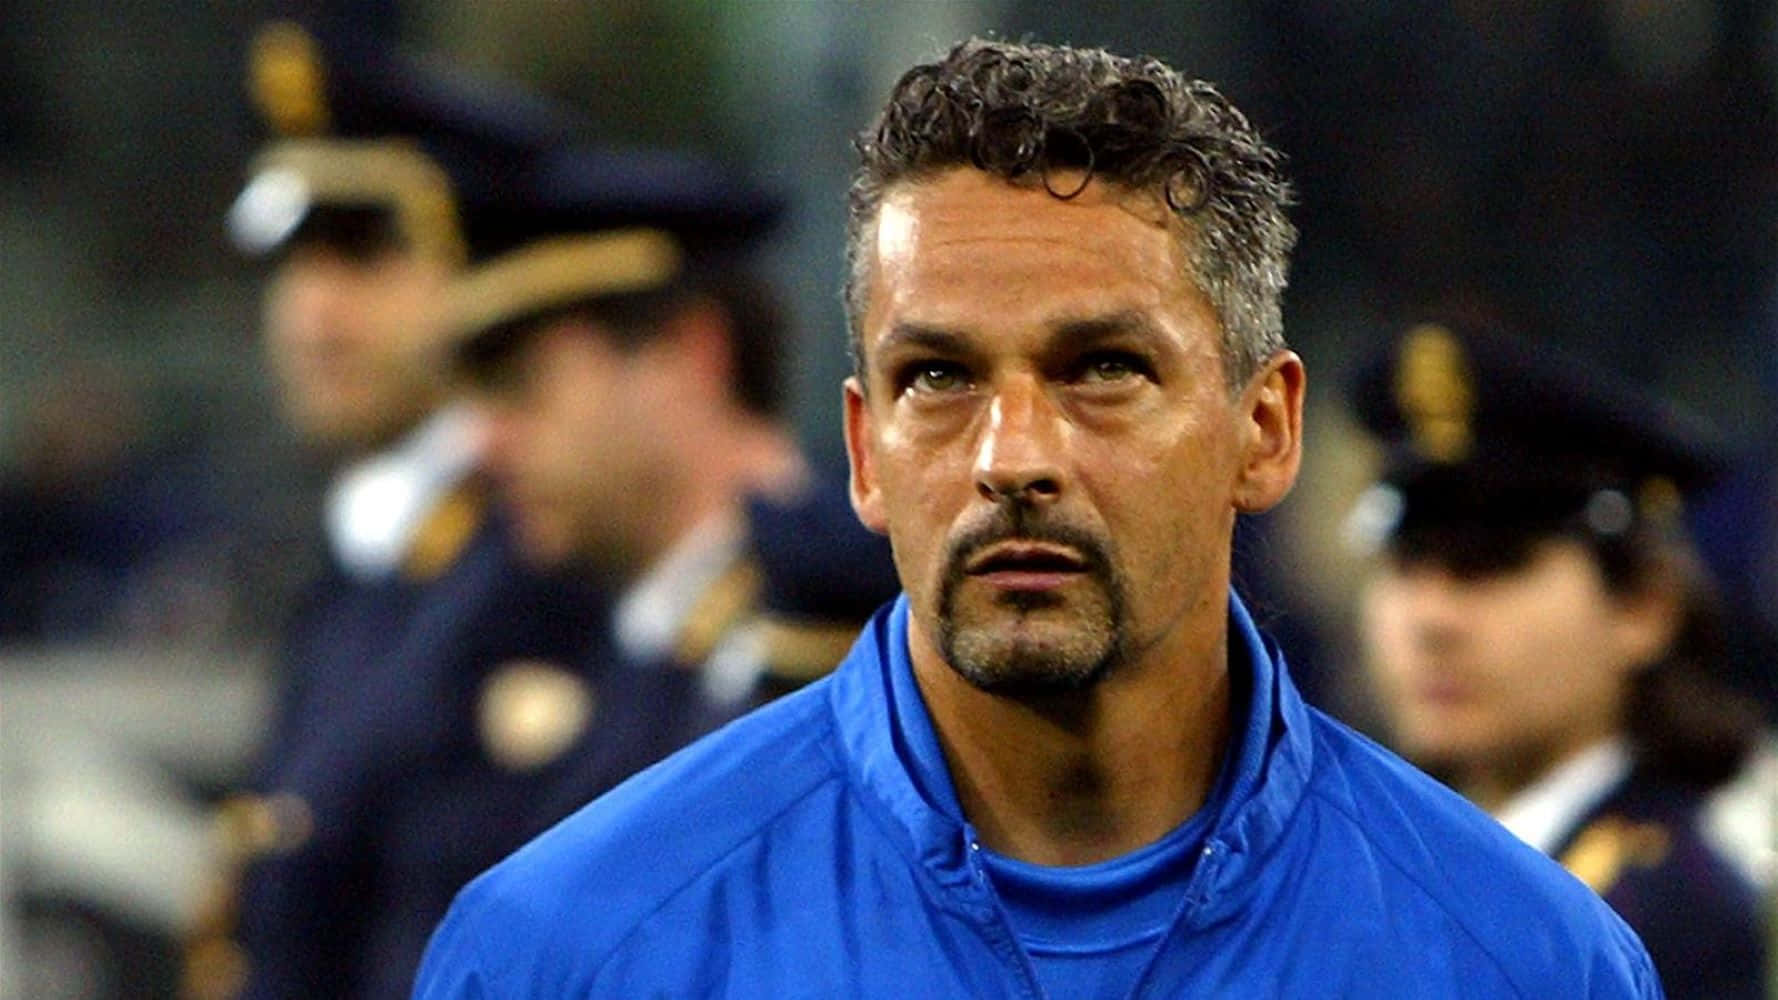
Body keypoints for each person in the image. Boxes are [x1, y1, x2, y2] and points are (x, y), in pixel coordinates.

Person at [413, 38, 1658, 998]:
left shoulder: (1526, 962)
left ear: (1263, 430)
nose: (1012, 457)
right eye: (937, 377)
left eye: (1102, 368)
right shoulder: (567, 950)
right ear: (862, 450)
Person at [182, 21, 609, 1000]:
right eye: (295, 259)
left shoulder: (538, 569)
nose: (311, 313)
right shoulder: (372, 564)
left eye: (364, 255)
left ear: (481, 269)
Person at [438, 142, 899, 823]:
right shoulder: (588, 638)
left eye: (523, 387)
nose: (483, 444)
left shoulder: (832, 631)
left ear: (688, 353)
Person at [1350, 320, 1770, 999]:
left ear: (1642, 607)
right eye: (1405, 564)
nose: (1430, 620)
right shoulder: (1378, 858)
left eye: (1489, 566)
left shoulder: (1665, 915)